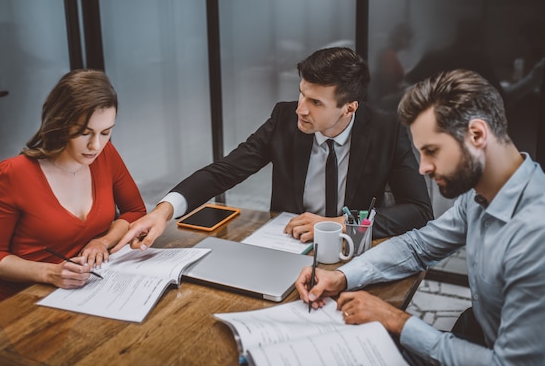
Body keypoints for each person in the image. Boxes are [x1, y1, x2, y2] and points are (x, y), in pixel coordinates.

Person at [294, 69, 545, 366]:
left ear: (477, 134)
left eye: (432, 151)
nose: (423, 168)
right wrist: (342, 276)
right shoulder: (479, 196)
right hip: (474, 335)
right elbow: (417, 246)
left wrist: (397, 320)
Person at [112, 47, 433, 253]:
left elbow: (419, 209)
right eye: (301, 94)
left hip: (350, 248)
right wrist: (163, 211)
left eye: (316, 103)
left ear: (349, 108)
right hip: (286, 245)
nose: (301, 110)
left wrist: (343, 224)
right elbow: (223, 172)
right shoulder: (284, 119)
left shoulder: (386, 130)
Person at [0, 69, 146, 314]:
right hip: (16, 308)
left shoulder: (106, 155)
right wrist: (49, 272)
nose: (95, 145)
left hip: (80, 301)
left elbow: (135, 211)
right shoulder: (14, 173)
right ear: (61, 123)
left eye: (106, 133)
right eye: (84, 132)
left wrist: (103, 241)